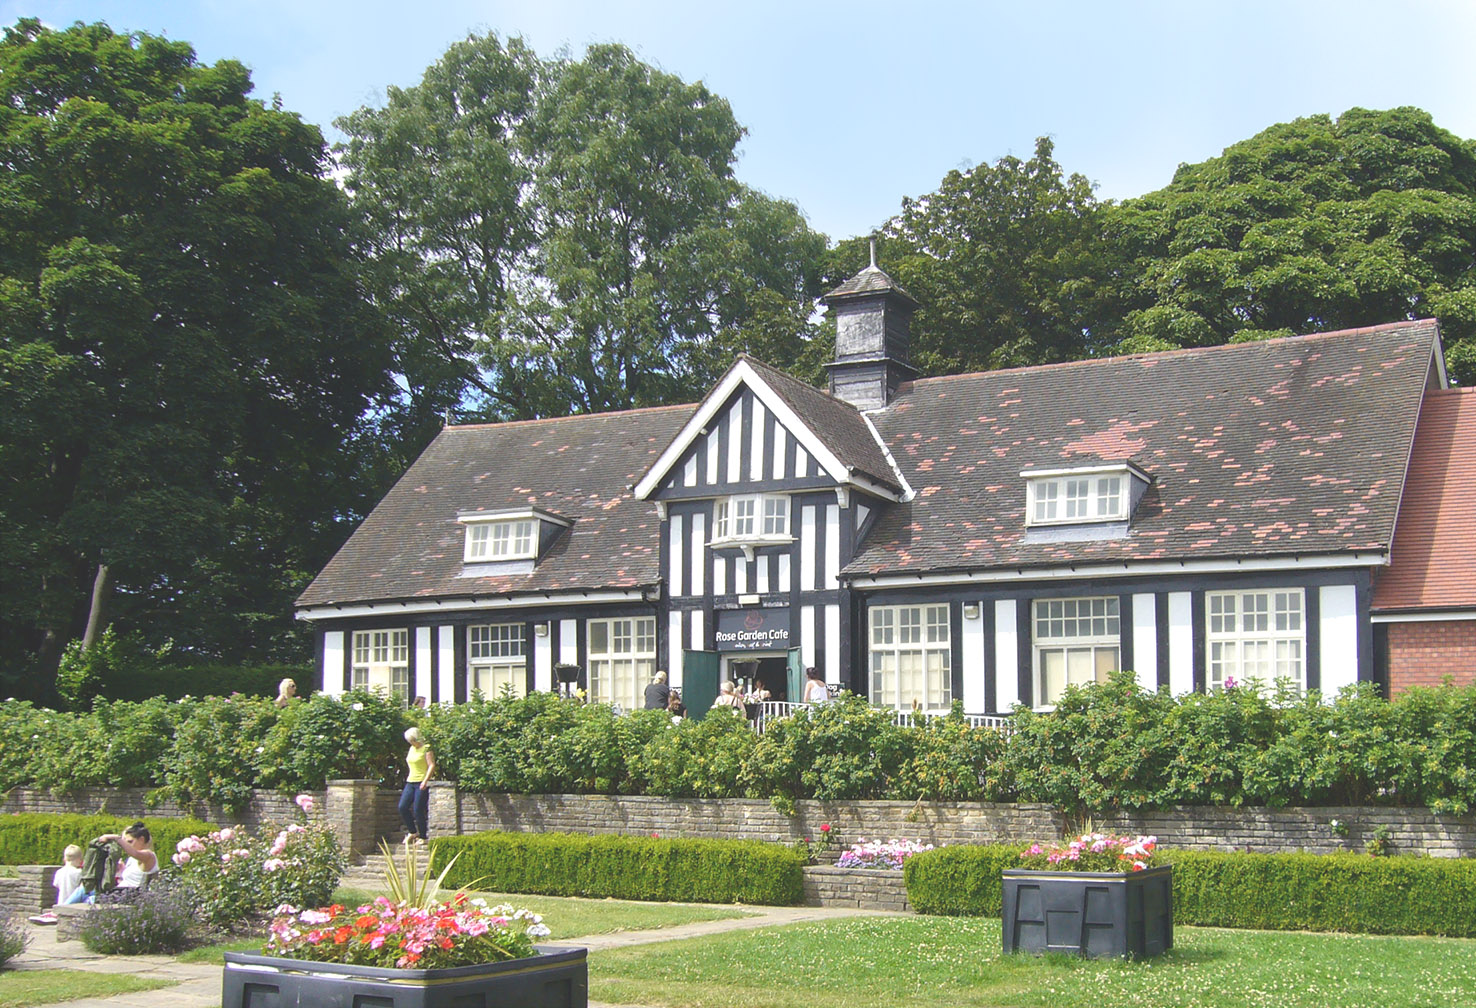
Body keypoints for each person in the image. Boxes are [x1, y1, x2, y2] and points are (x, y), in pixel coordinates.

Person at [64, 822, 157, 903]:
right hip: (121, 892)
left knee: (89, 897)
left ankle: (59, 910)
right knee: (84, 889)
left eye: (130, 841)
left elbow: (134, 853)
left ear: (141, 839)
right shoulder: (134, 859)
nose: (127, 845)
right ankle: (59, 909)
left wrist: (115, 838)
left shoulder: (148, 855)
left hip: (131, 895)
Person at [399, 726, 437, 844]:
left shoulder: (426, 748)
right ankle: (412, 831)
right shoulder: (411, 749)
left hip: (421, 781)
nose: (412, 743)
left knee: (418, 809)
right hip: (411, 781)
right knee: (402, 807)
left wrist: (425, 781)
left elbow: (431, 765)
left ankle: (423, 837)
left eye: (413, 740)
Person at [28, 844, 83, 922]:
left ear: (64, 858)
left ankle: (52, 915)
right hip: (74, 904)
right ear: (79, 859)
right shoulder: (78, 872)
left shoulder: (59, 872)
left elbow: (56, 885)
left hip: (60, 902)